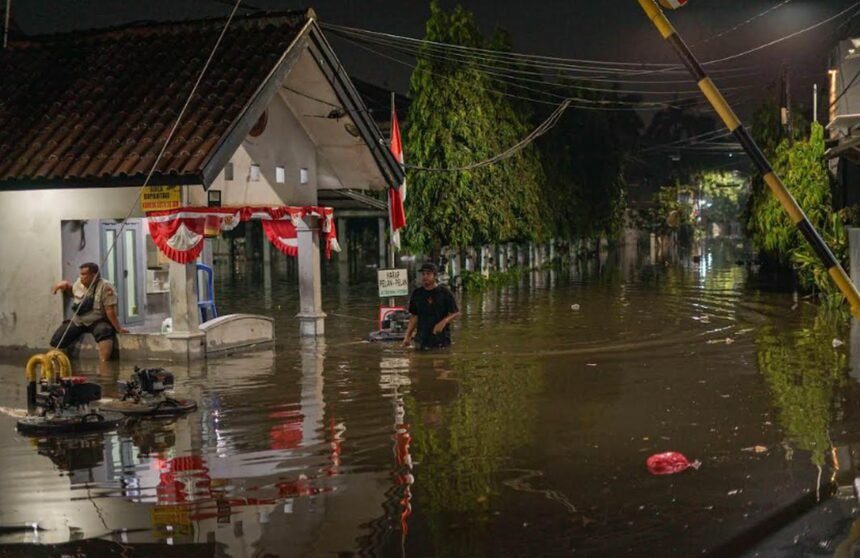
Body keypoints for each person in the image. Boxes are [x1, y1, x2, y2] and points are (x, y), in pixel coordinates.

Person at [50, 262, 128, 361]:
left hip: (97, 320)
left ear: (94, 275)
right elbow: (73, 293)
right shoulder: (79, 283)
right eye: (80, 274)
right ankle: (53, 364)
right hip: (79, 321)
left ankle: (104, 364)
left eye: (84, 274)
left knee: (104, 331)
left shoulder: (106, 287)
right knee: (59, 336)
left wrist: (118, 328)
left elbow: (110, 311)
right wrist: (66, 286)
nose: (81, 277)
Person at [402, 262, 459, 350]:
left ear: (435, 276)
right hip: (421, 339)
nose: (425, 277)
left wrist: (443, 322)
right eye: (423, 274)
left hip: (441, 339)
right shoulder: (417, 293)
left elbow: (455, 313)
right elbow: (414, 316)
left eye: (428, 274)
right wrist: (407, 336)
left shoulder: (444, 292)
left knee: (440, 361)